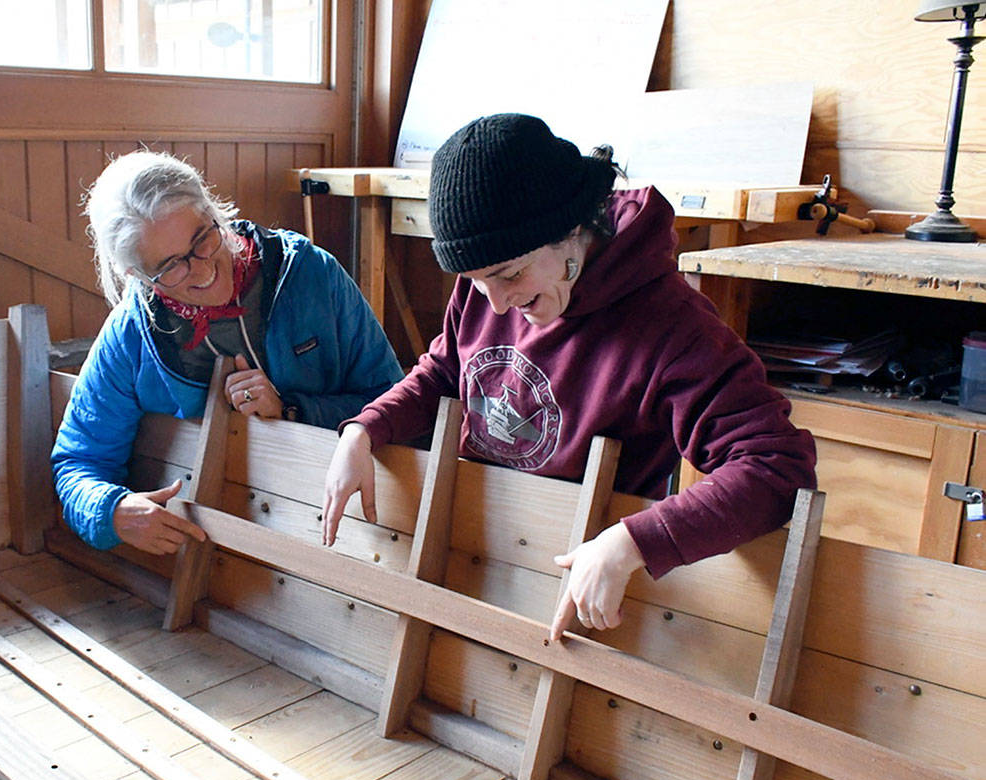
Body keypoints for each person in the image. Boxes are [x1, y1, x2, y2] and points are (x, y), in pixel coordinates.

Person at [321, 113, 816, 642]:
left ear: (573, 229)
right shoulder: (493, 279)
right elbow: (447, 370)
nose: (498, 302)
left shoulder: (673, 327)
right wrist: (364, 430)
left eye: (509, 275)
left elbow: (777, 467)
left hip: (587, 589)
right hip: (479, 551)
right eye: (474, 281)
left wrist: (634, 542)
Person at [55, 150, 403, 555]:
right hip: (209, 558)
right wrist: (111, 511)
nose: (202, 271)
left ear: (212, 209)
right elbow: (78, 462)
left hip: (342, 540)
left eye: (202, 238)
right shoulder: (131, 333)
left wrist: (292, 410)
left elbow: (394, 403)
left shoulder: (311, 274)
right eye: (171, 267)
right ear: (138, 276)